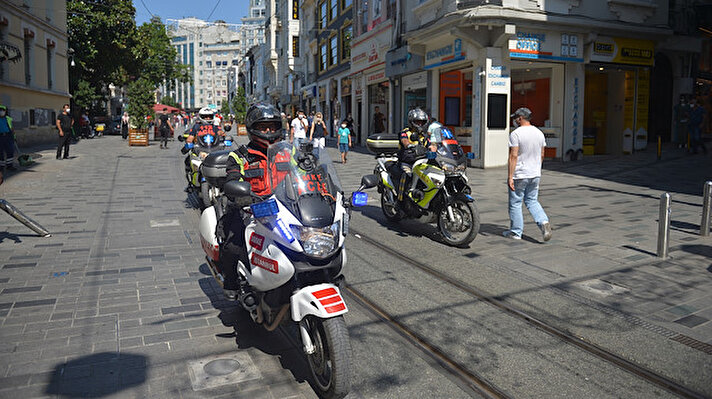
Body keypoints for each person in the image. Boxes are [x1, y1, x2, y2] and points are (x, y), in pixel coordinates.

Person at [219, 103, 286, 300]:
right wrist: (240, 194)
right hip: (249, 211)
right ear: (253, 128)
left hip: (283, 210)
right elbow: (232, 180)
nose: (269, 131)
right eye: (264, 127)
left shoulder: (286, 153)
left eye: (273, 127)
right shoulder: (240, 156)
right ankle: (230, 280)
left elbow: (303, 175)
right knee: (234, 244)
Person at [504, 107, 552, 242]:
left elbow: (513, 155)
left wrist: (510, 177)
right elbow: (542, 154)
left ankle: (516, 232)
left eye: (515, 118)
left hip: (520, 174)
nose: (514, 120)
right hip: (535, 173)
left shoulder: (516, 134)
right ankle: (543, 222)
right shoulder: (539, 133)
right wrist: (537, 168)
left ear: (520, 118)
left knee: (515, 203)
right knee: (532, 200)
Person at [397, 108, 433, 201]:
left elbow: (431, 145)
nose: (420, 124)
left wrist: (436, 148)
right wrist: (409, 145)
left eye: (422, 122)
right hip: (407, 162)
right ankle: (400, 200)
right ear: (411, 121)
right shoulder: (405, 132)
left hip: (421, 162)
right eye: (417, 122)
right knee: (407, 175)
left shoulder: (424, 135)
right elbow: (404, 140)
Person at [0, 105, 16, 171]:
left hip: (8, 136)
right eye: (0, 110)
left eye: (3, 110)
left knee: (10, 151)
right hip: (0, 136)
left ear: (5, 111)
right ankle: (1, 166)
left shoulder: (8, 118)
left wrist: (14, 137)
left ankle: (9, 166)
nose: (1, 111)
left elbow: (12, 128)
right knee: (0, 152)